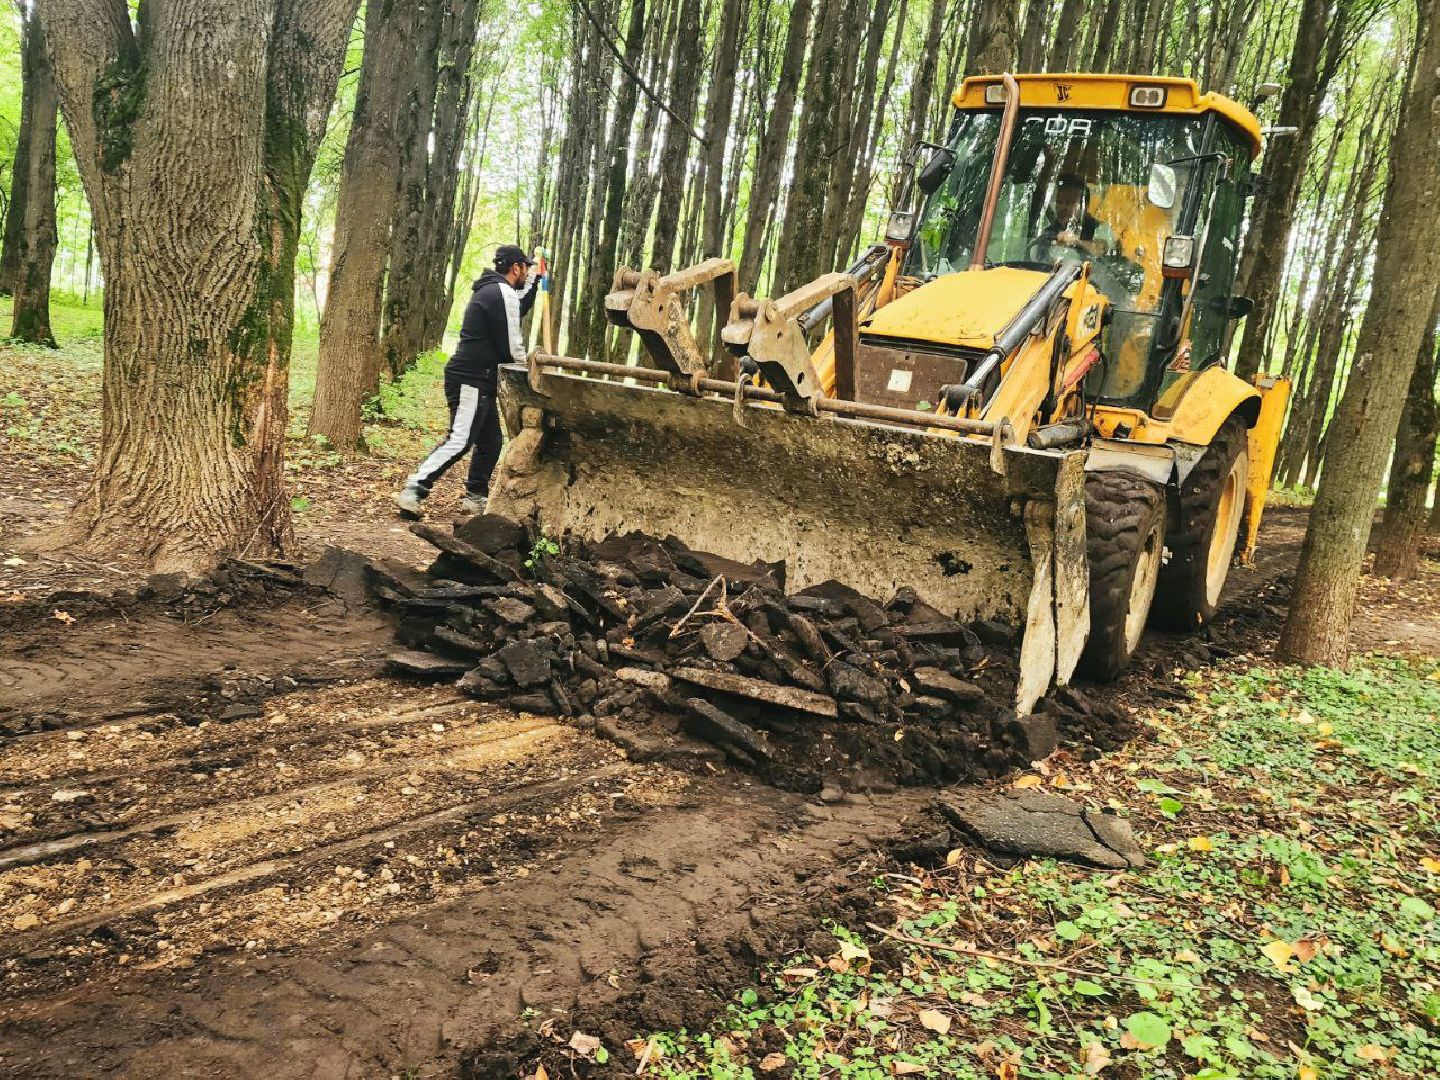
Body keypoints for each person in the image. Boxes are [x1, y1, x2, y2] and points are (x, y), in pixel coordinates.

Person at [393, 244, 540, 517]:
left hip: (478, 378)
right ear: (516, 268)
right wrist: (528, 371)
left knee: (491, 441)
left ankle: (475, 497)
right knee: (460, 439)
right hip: (472, 377)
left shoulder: (493, 290)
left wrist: (535, 280)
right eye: (526, 269)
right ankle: (414, 488)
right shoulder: (501, 292)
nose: (526, 272)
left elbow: (516, 306)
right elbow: (512, 346)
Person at [1038, 174, 1113, 258]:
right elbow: (1032, 252)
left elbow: (1101, 249)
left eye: (1070, 203)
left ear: (1085, 206)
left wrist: (1077, 242)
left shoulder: (1100, 228)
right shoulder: (1048, 231)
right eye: (1059, 202)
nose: (1063, 207)